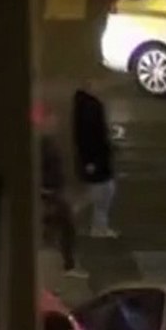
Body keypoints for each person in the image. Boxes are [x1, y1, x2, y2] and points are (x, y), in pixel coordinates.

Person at [37, 107, 87, 278]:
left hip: (52, 191)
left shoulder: (46, 142)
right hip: (50, 193)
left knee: (59, 226)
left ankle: (65, 263)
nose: (55, 124)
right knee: (66, 227)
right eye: (51, 121)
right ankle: (68, 265)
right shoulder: (43, 144)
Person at [72, 79, 117, 237]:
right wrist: (90, 161)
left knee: (101, 193)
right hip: (96, 159)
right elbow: (89, 137)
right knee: (101, 194)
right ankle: (96, 226)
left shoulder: (85, 105)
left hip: (95, 159)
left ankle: (99, 227)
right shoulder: (90, 107)